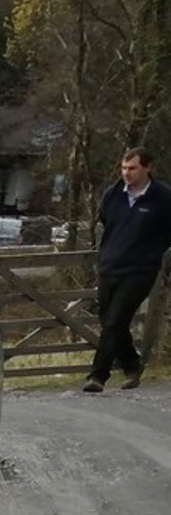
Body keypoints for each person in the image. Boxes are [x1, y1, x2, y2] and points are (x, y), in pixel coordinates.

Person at [84, 147, 171, 392]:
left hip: (140, 269)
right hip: (110, 264)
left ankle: (98, 376)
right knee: (110, 321)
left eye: (132, 168)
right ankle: (132, 365)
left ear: (147, 167)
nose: (126, 173)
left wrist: (153, 252)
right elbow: (105, 220)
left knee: (114, 320)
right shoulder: (113, 194)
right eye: (124, 168)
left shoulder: (163, 197)